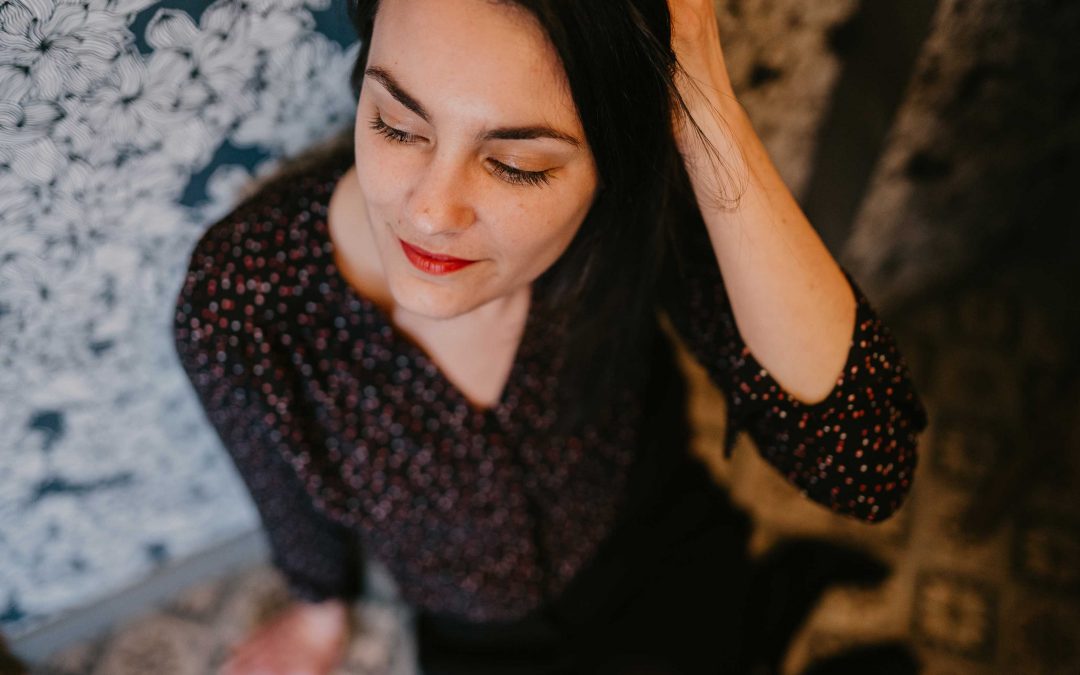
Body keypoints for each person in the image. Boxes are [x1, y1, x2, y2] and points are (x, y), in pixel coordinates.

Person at [172, 0, 928, 673]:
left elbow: (864, 466)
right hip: (474, 635)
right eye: (397, 125)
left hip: (659, 554)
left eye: (516, 164)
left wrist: (700, 91)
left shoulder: (630, 210)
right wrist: (317, 610)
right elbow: (282, 492)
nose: (432, 213)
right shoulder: (241, 301)